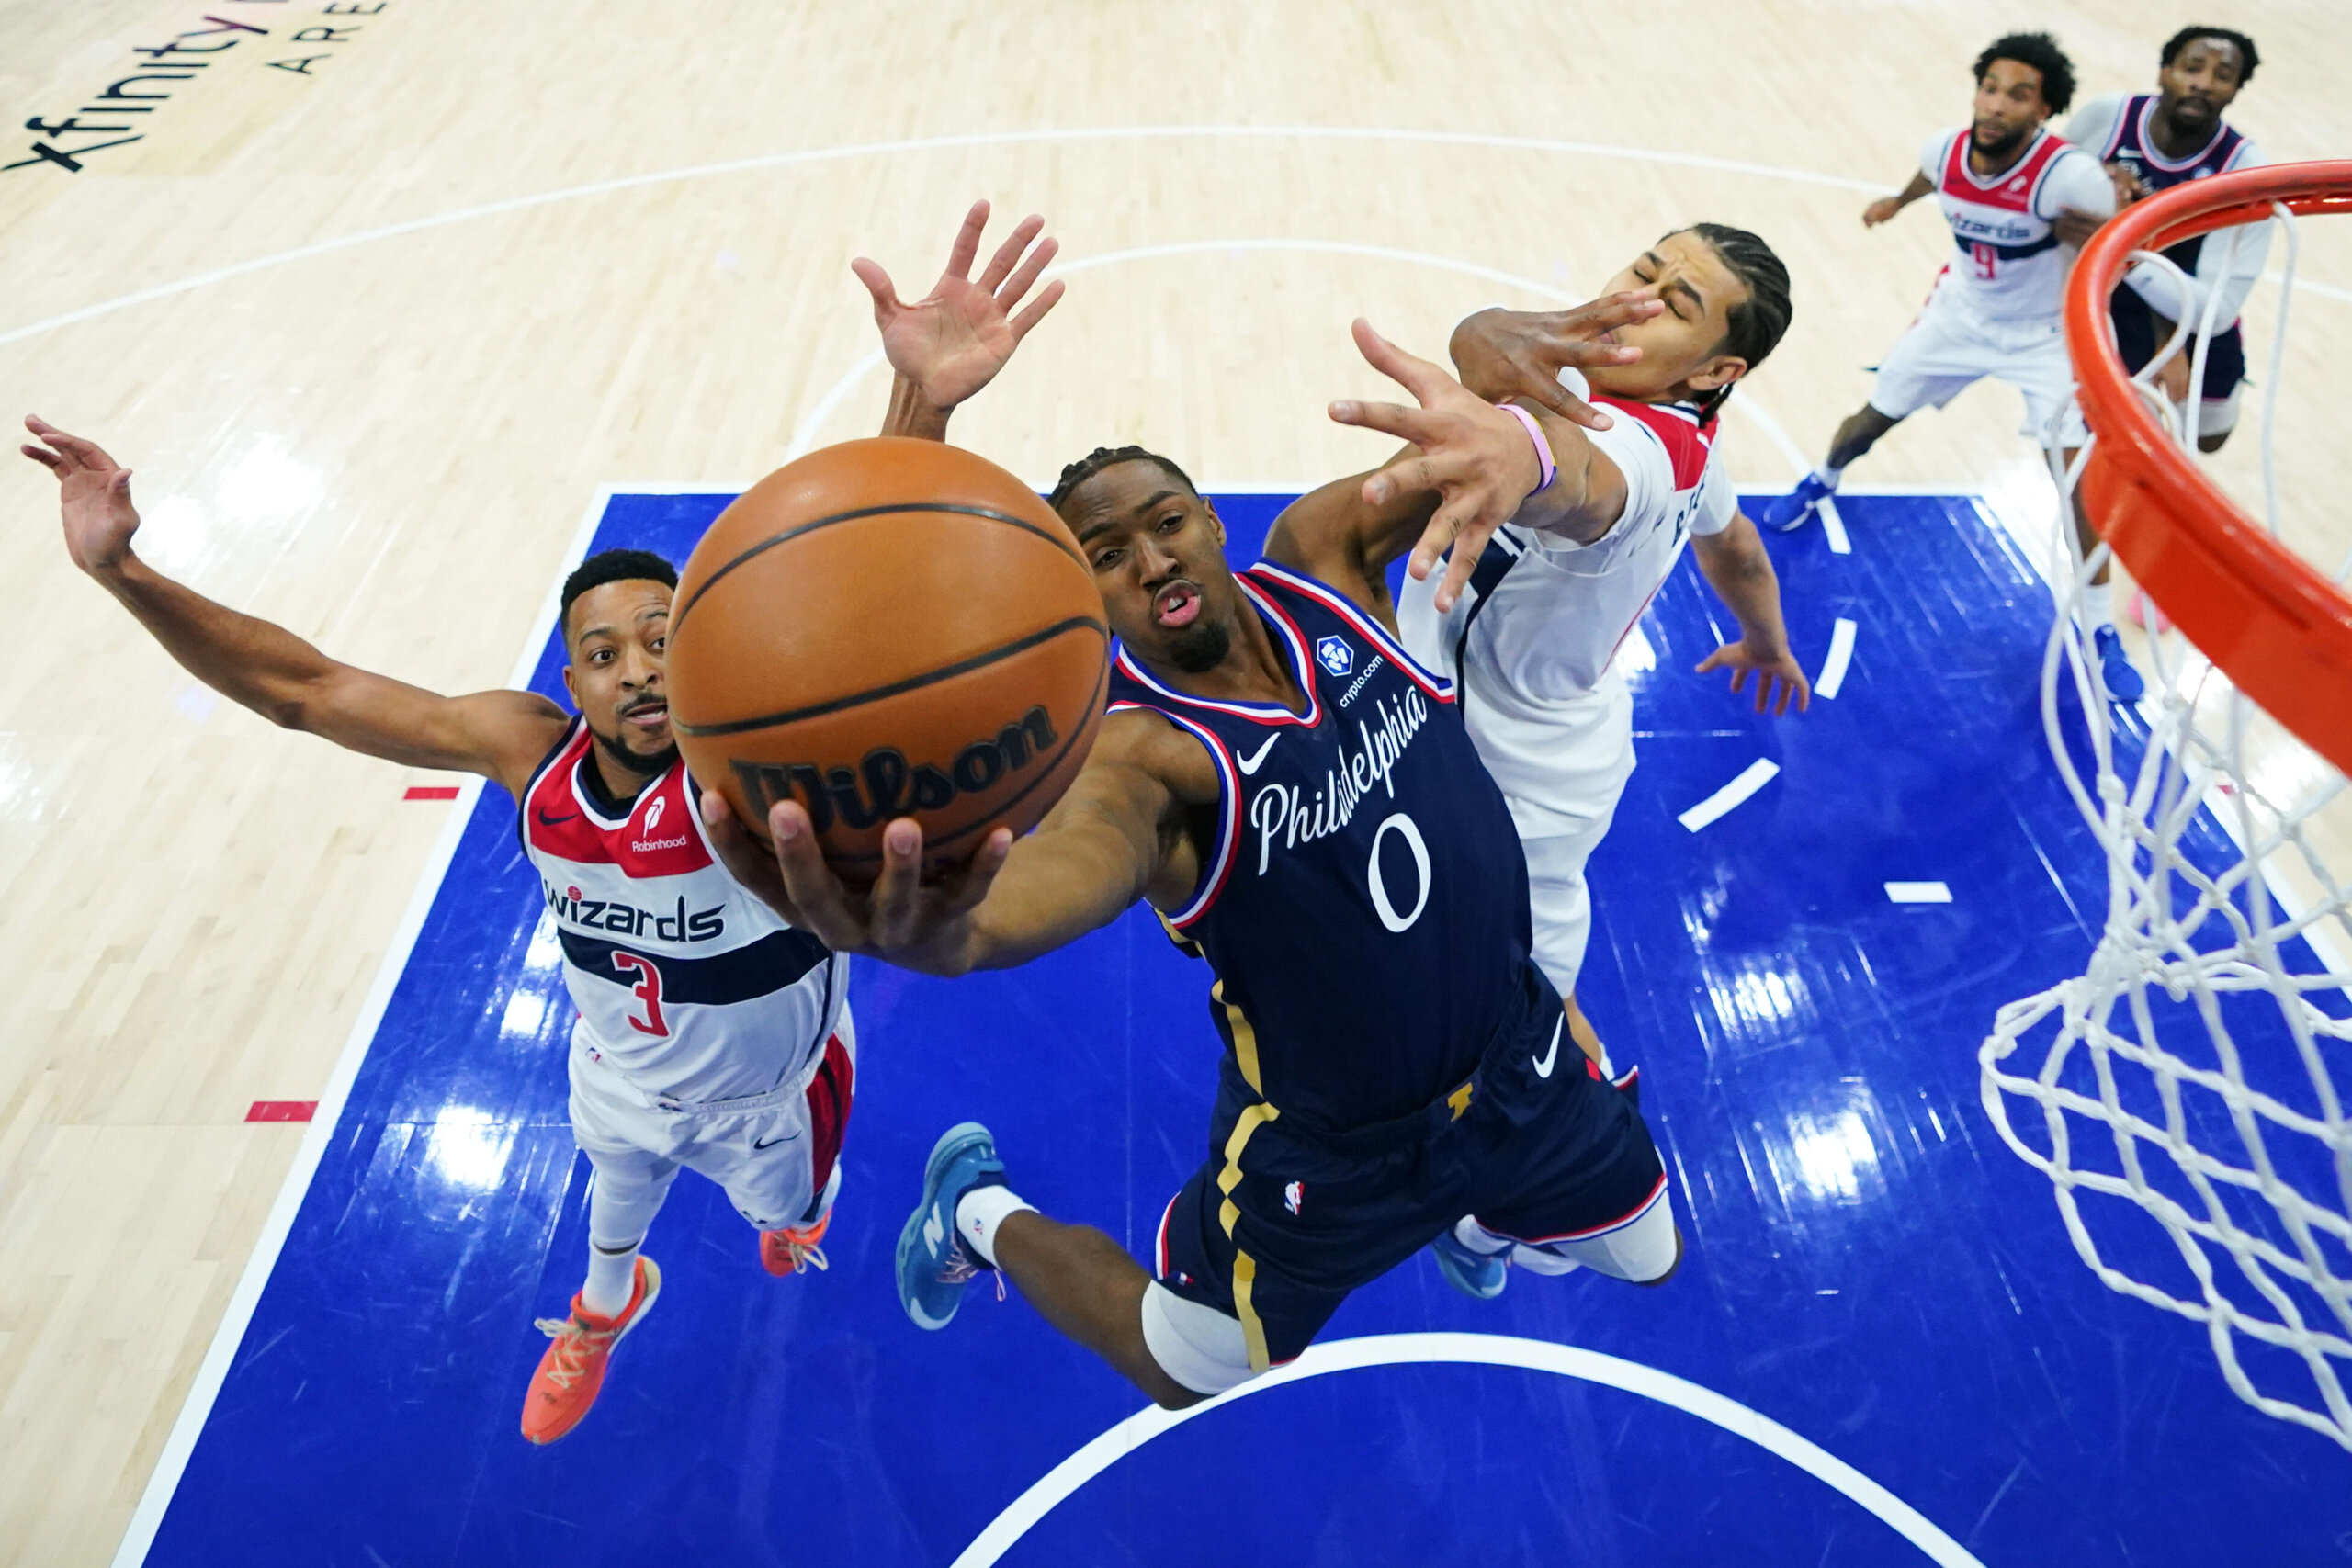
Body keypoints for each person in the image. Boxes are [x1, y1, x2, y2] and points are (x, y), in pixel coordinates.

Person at [694, 212, 1680, 1411]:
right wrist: (943, 936)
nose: (1149, 556)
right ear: (1075, 593)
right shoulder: (1144, 761)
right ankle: (975, 1209)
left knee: (1648, 1252)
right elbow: (1027, 856)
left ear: (1212, 522)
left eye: (1165, 522)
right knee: (1187, 1361)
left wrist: (1523, 429)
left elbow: (1478, 450)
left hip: (1521, 1059)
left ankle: (1475, 1203)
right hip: (1333, 1153)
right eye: (1104, 553)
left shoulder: (1331, 568)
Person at [17, 417, 873, 1446]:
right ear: (574, 687)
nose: (639, 669)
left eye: (662, 638)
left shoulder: (760, 760)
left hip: (776, 1097)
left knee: (784, 1211)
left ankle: (792, 1225)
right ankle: (606, 1313)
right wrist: (125, 573)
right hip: (618, 1070)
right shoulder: (529, 756)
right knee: (612, 1207)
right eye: (605, 654)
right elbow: (308, 692)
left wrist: (920, 405)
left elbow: (862, 593)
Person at [1410, 231, 1809, 1289]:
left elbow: (1573, 478)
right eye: (1644, 269)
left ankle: (1561, 1204)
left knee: (1527, 1023)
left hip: (1517, 788)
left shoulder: (1638, 453)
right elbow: (1732, 546)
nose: (1635, 301)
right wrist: (1766, 639)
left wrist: (1507, 442)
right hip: (1497, 734)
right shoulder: (1697, 438)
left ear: (1717, 366)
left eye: (1676, 304)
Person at [1758, 33, 2142, 701]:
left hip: (2044, 335)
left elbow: (2119, 248)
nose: (1995, 105)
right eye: (1989, 88)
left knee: (2076, 477)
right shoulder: (1944, 147)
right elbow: (1934, 177)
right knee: (1865, 424)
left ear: (2044, 108)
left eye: (2017, 95)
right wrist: (1896, 202)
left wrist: (2118, 222)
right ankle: (1823, 477)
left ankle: (2101, 628)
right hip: (1959, 316)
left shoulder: (2071, 176)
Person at [2053, 27, 2268, 456]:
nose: (2203, 84)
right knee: (2118, 448)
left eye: (2222, 76)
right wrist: (2095, 181)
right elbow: (2046, 190)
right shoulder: (2107, 118)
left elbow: (2218, 311)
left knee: (2208, 440)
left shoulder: (2245, 170)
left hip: (2191, 308)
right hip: (2113, 307)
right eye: (2192, 69)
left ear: (2235, 91)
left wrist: (2123, 241)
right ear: (2164, 72)